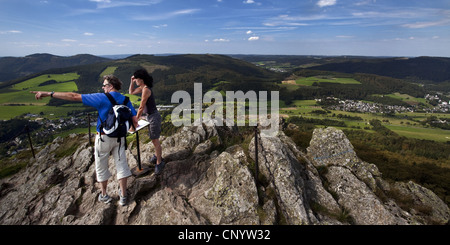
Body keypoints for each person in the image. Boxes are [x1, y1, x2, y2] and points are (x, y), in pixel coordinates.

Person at [31, 75, 138, 206]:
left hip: (103, 138)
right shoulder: (125, 99)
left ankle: (104, 195)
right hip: (120, 138)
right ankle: (123, 195)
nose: (103, 88)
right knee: (121, 165)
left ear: (110, 86)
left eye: (104, 85)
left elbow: (73, 96)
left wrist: (49, 94)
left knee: (102, 166)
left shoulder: (102, 98)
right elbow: (135, 122)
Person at [129, 69, 165, 175]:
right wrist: (131, 81)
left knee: (155, 140)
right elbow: (131, 92)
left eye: (136, 79)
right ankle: (156, 156)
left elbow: (141, 107)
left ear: (141, 79)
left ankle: (159, 162)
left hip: (153, 117)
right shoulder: (143, 88)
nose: (135, 81)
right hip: (150, 116)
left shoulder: (146, 90)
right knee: (153, 139)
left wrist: (135, 120)